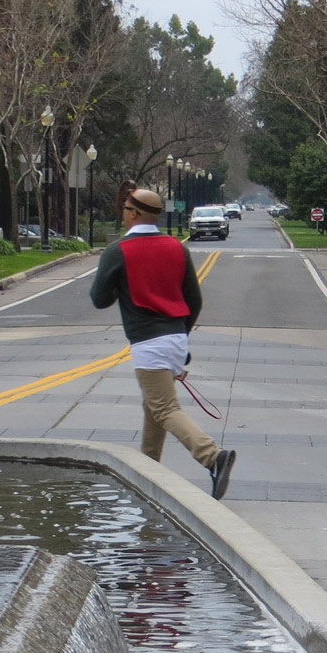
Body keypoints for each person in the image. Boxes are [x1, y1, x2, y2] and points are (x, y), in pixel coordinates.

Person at [90, 185, 236, 499]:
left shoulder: (119, 250)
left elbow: (99, 299)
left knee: (165, 408)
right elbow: (194, 300)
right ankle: (148, 469)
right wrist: (180, 341)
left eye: (126, 209)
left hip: (147, 342)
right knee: (152, 406)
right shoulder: (176, 247)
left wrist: (120, 285)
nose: (124, 214)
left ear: (133, 213)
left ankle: (212, 456)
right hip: (175, 337)